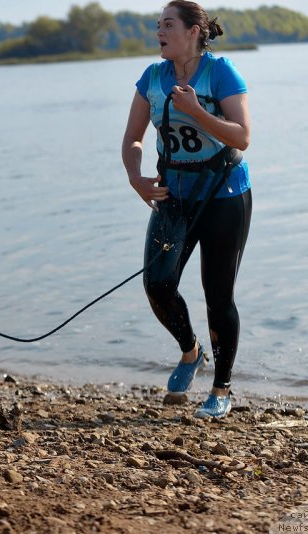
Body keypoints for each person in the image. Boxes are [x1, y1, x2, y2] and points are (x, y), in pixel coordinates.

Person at [121, 0, 252, 418]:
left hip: (225, 194)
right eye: (158, 25)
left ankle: (221, 387)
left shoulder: (221, 72)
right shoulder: (152, 78)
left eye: (169, 24)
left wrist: (197, 111)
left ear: (194, 31)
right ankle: (191, 351)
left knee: (218, 295)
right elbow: (133, 140)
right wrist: (135, 176)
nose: (160, 31)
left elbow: (243, 135)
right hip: (173, 196)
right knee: (157, 284)